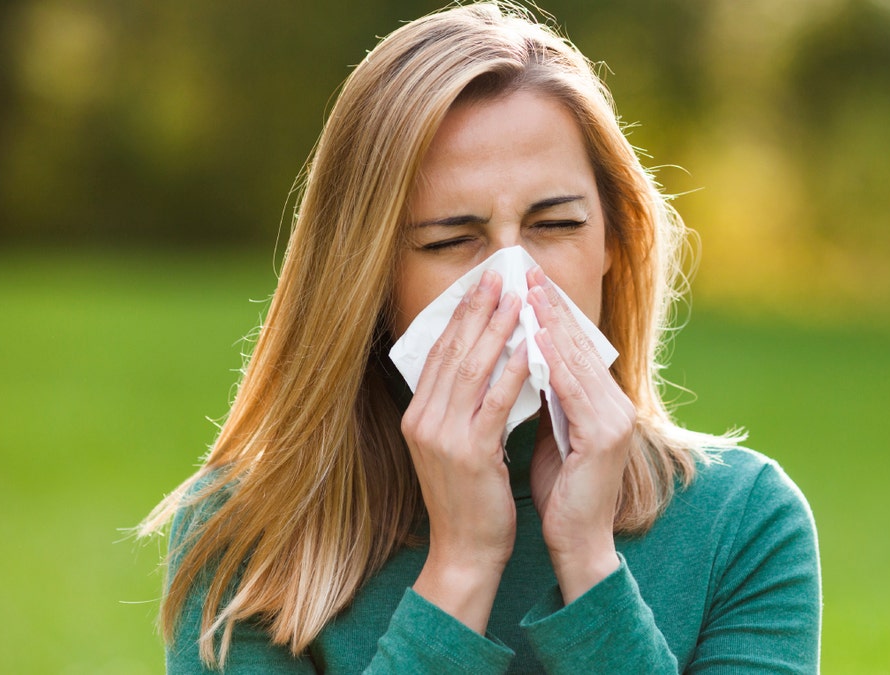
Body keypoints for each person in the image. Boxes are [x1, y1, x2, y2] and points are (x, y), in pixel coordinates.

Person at [141, 2, 821, 672]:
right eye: (452, 238)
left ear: (616, 239)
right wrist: (461, 567)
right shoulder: (249, 531)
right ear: (368, 274)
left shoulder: (744, 522)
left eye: (555, 226)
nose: (513, 278)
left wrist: (589, 563)